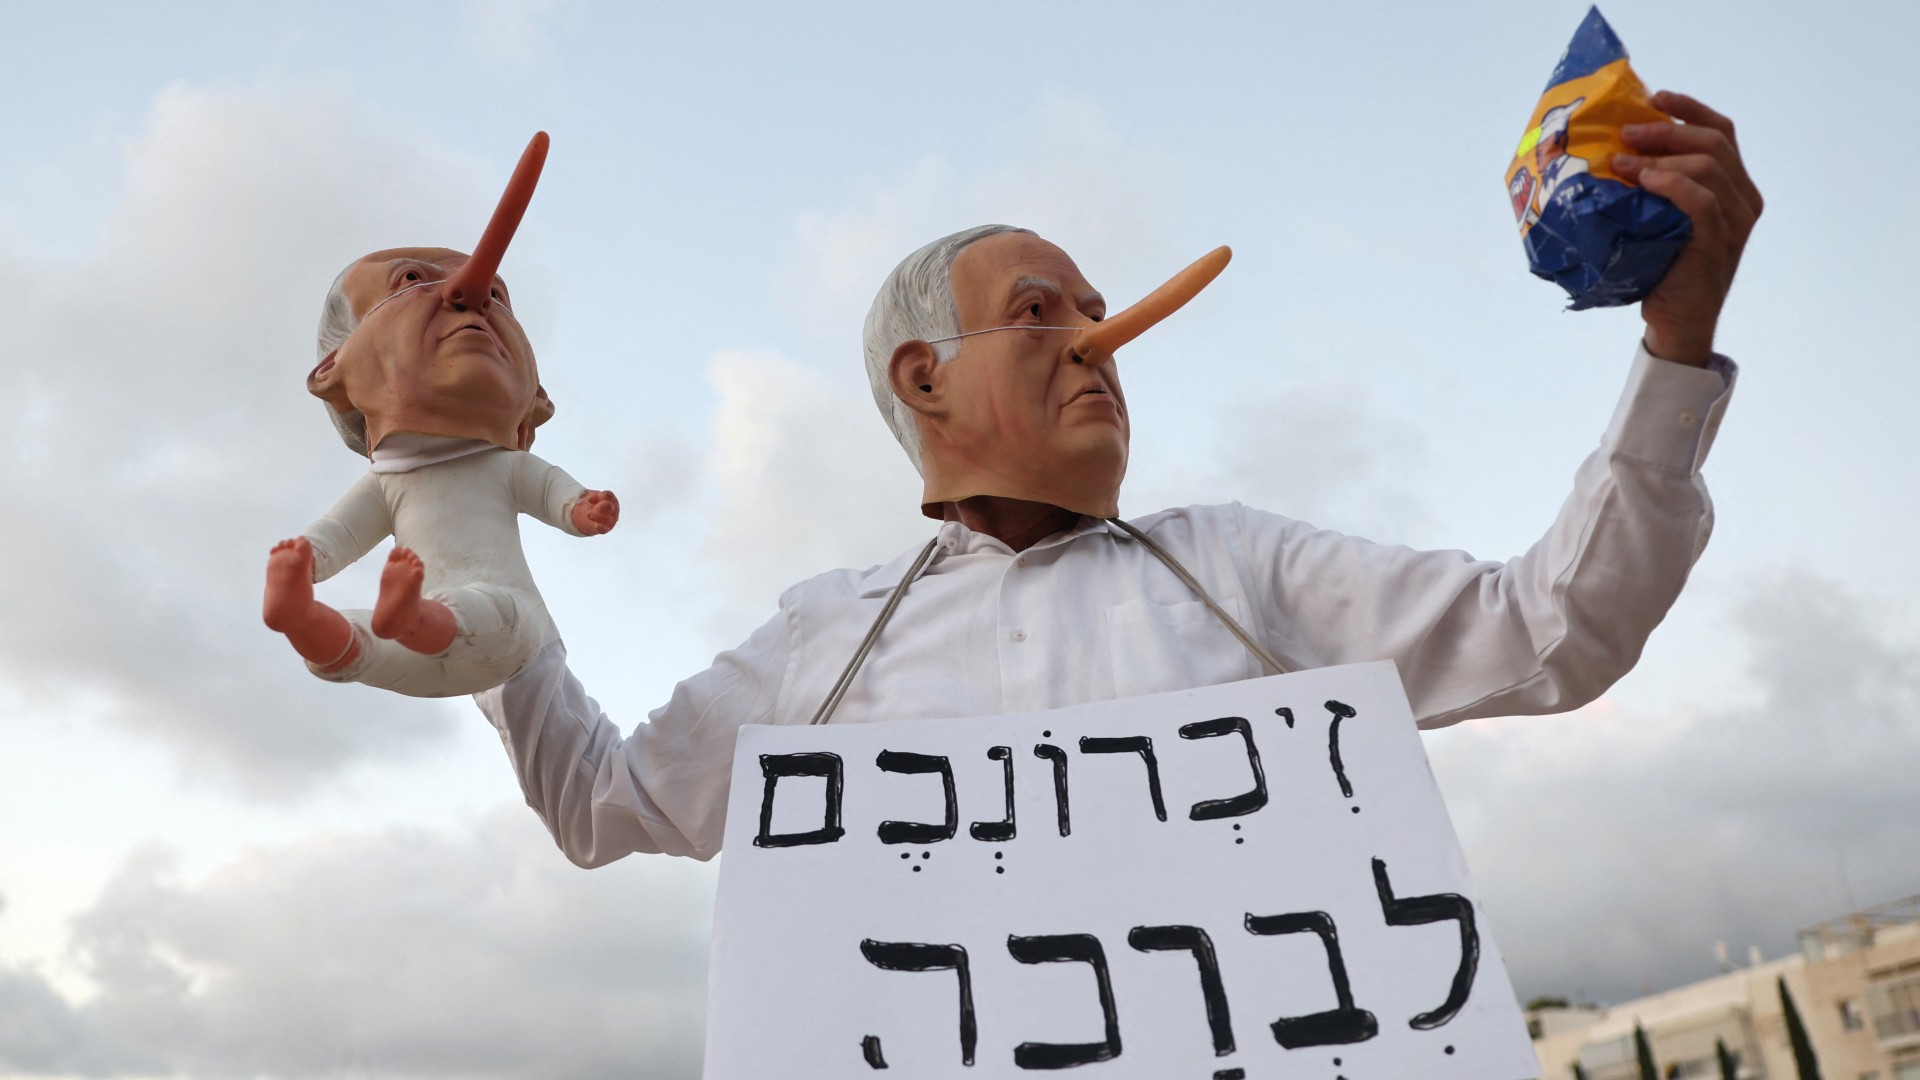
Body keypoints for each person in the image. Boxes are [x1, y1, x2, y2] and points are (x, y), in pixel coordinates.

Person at [476, 90, 1761, 864]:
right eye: (1042, 311)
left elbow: (1555, 631)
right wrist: (472, 551)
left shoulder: (1239, 569)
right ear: (922, 380)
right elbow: (602, 803)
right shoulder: (826, 640)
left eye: (1100, 310)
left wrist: (1676, 341)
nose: (1101, 337)